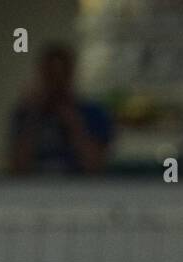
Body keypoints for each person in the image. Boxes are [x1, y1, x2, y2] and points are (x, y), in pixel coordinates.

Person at [9, 43, 113, 176]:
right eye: (50, 76)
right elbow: (16, 167)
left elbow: (95, 165)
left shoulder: (93, 113)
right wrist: (33, 117)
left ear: (70, 75)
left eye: (61, 76)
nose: (56, 84)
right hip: (33, 190)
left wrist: (73, 123)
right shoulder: (25, 114)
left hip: (79, 190)